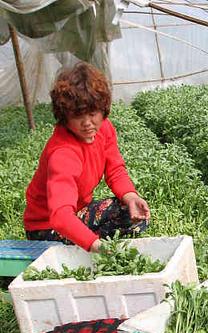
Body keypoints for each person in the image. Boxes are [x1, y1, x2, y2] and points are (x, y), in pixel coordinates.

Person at [23, 61, 150, 253]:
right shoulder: (63, 153)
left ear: (103, 109)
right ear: (64, 116)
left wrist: (131, 197)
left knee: (133, 213)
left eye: (93, 113)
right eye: (77, 116)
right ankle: (84, 244)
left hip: (77, 212)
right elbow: (60, 216)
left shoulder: (104, 129)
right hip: (46, 227)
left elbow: (115, 170)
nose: (87, 123)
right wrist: (95, 245)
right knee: (105, 232)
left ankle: (82, 242)